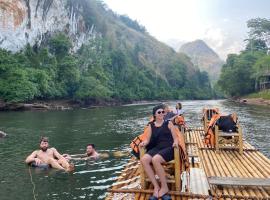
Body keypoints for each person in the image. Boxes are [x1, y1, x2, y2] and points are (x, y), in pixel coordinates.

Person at [140, 104, 179, 200]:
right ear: (154, 115)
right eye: (159, 112)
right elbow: (147, 140)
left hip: (169, 148)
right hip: (157, 148)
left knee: (155, 159)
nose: (162, 113)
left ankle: (164, 187)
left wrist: (175, 143)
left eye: (163, 112)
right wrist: (143, 143)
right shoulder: (151, 126)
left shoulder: (168, 123)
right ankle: (156, 186)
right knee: (144, 159)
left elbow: (176, 138)